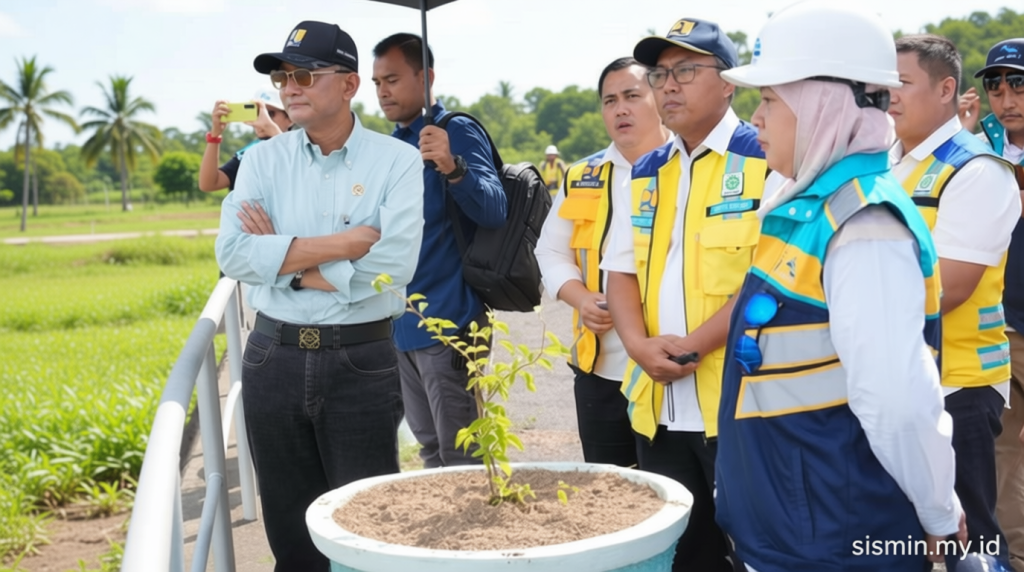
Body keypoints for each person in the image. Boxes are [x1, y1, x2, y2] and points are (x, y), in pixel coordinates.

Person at [713, 3, 965, 570]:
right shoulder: (810, 209)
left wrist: (939, 514)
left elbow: (896, 401)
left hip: (839, 535)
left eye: (769, 100)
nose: (756, 118)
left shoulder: (864, 224)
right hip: (795, 527)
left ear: (820, 105)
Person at [215, 21, 424, 571]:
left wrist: (283, 264)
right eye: (283, 77)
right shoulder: (261, 161)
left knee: (367, 530)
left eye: (304, 75)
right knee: (290, 535)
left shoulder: (397, 161)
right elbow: (233, 255)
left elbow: (392, 267)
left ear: (350, 84)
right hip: (272, 358)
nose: (290, 87)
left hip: (361, 359)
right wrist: (344, 245)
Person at [599, 18, 771, 572]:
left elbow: (768, 277)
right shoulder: (646, 170)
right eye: (660, 74)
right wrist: (637, 346)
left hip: (740, 405)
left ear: (730, 83)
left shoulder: (765, 157)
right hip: (660, 406)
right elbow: (620, 271)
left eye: (686, 71)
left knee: (755, 551)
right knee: (684, 556)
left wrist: (692, 346)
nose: (668, 85)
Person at [890, 33, 1020, 567]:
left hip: (958, 384)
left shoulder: (976, 169)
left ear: (946, 89)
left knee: (973, 544)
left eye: (901, 83)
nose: (888, 95)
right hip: (894, 380)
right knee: (899, 539)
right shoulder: (880, 164)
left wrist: (844, 304)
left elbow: (951, 286)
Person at [371, 33, 506, 468]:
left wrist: (452, 166)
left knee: (462, 453)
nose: (383, 91)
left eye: (392, 79)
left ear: (426, 77)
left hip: (449, 320)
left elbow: (495, 209)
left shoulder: (454, 131)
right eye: (377, 82)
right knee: (430, 449)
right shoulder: (394, 146)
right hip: (403, 323)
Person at [534, 57, 671, 468]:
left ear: (659, 98)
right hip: (601, 374)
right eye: (610, 101)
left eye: (632, 96)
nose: (620, 109)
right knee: (609, 490)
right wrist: (581, 299)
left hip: (672, 369)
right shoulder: (582, 175)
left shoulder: (690, 167)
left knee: (678, 493)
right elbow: (550, 251)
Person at [973, 38, 1024, 572]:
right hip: (1001, 327)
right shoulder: (979, 152)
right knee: (1001, 457)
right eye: (996, 86)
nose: (1007, 99)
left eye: (1019, 85)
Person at [199, 89, 293, 192]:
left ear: (290, 118)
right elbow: (209, 184)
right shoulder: (249, 152)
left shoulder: (302, 145)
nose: (262, 118)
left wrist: (273, 131)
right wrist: (215, 135)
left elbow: (300, 169)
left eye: (269, 114)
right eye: (256, 113)